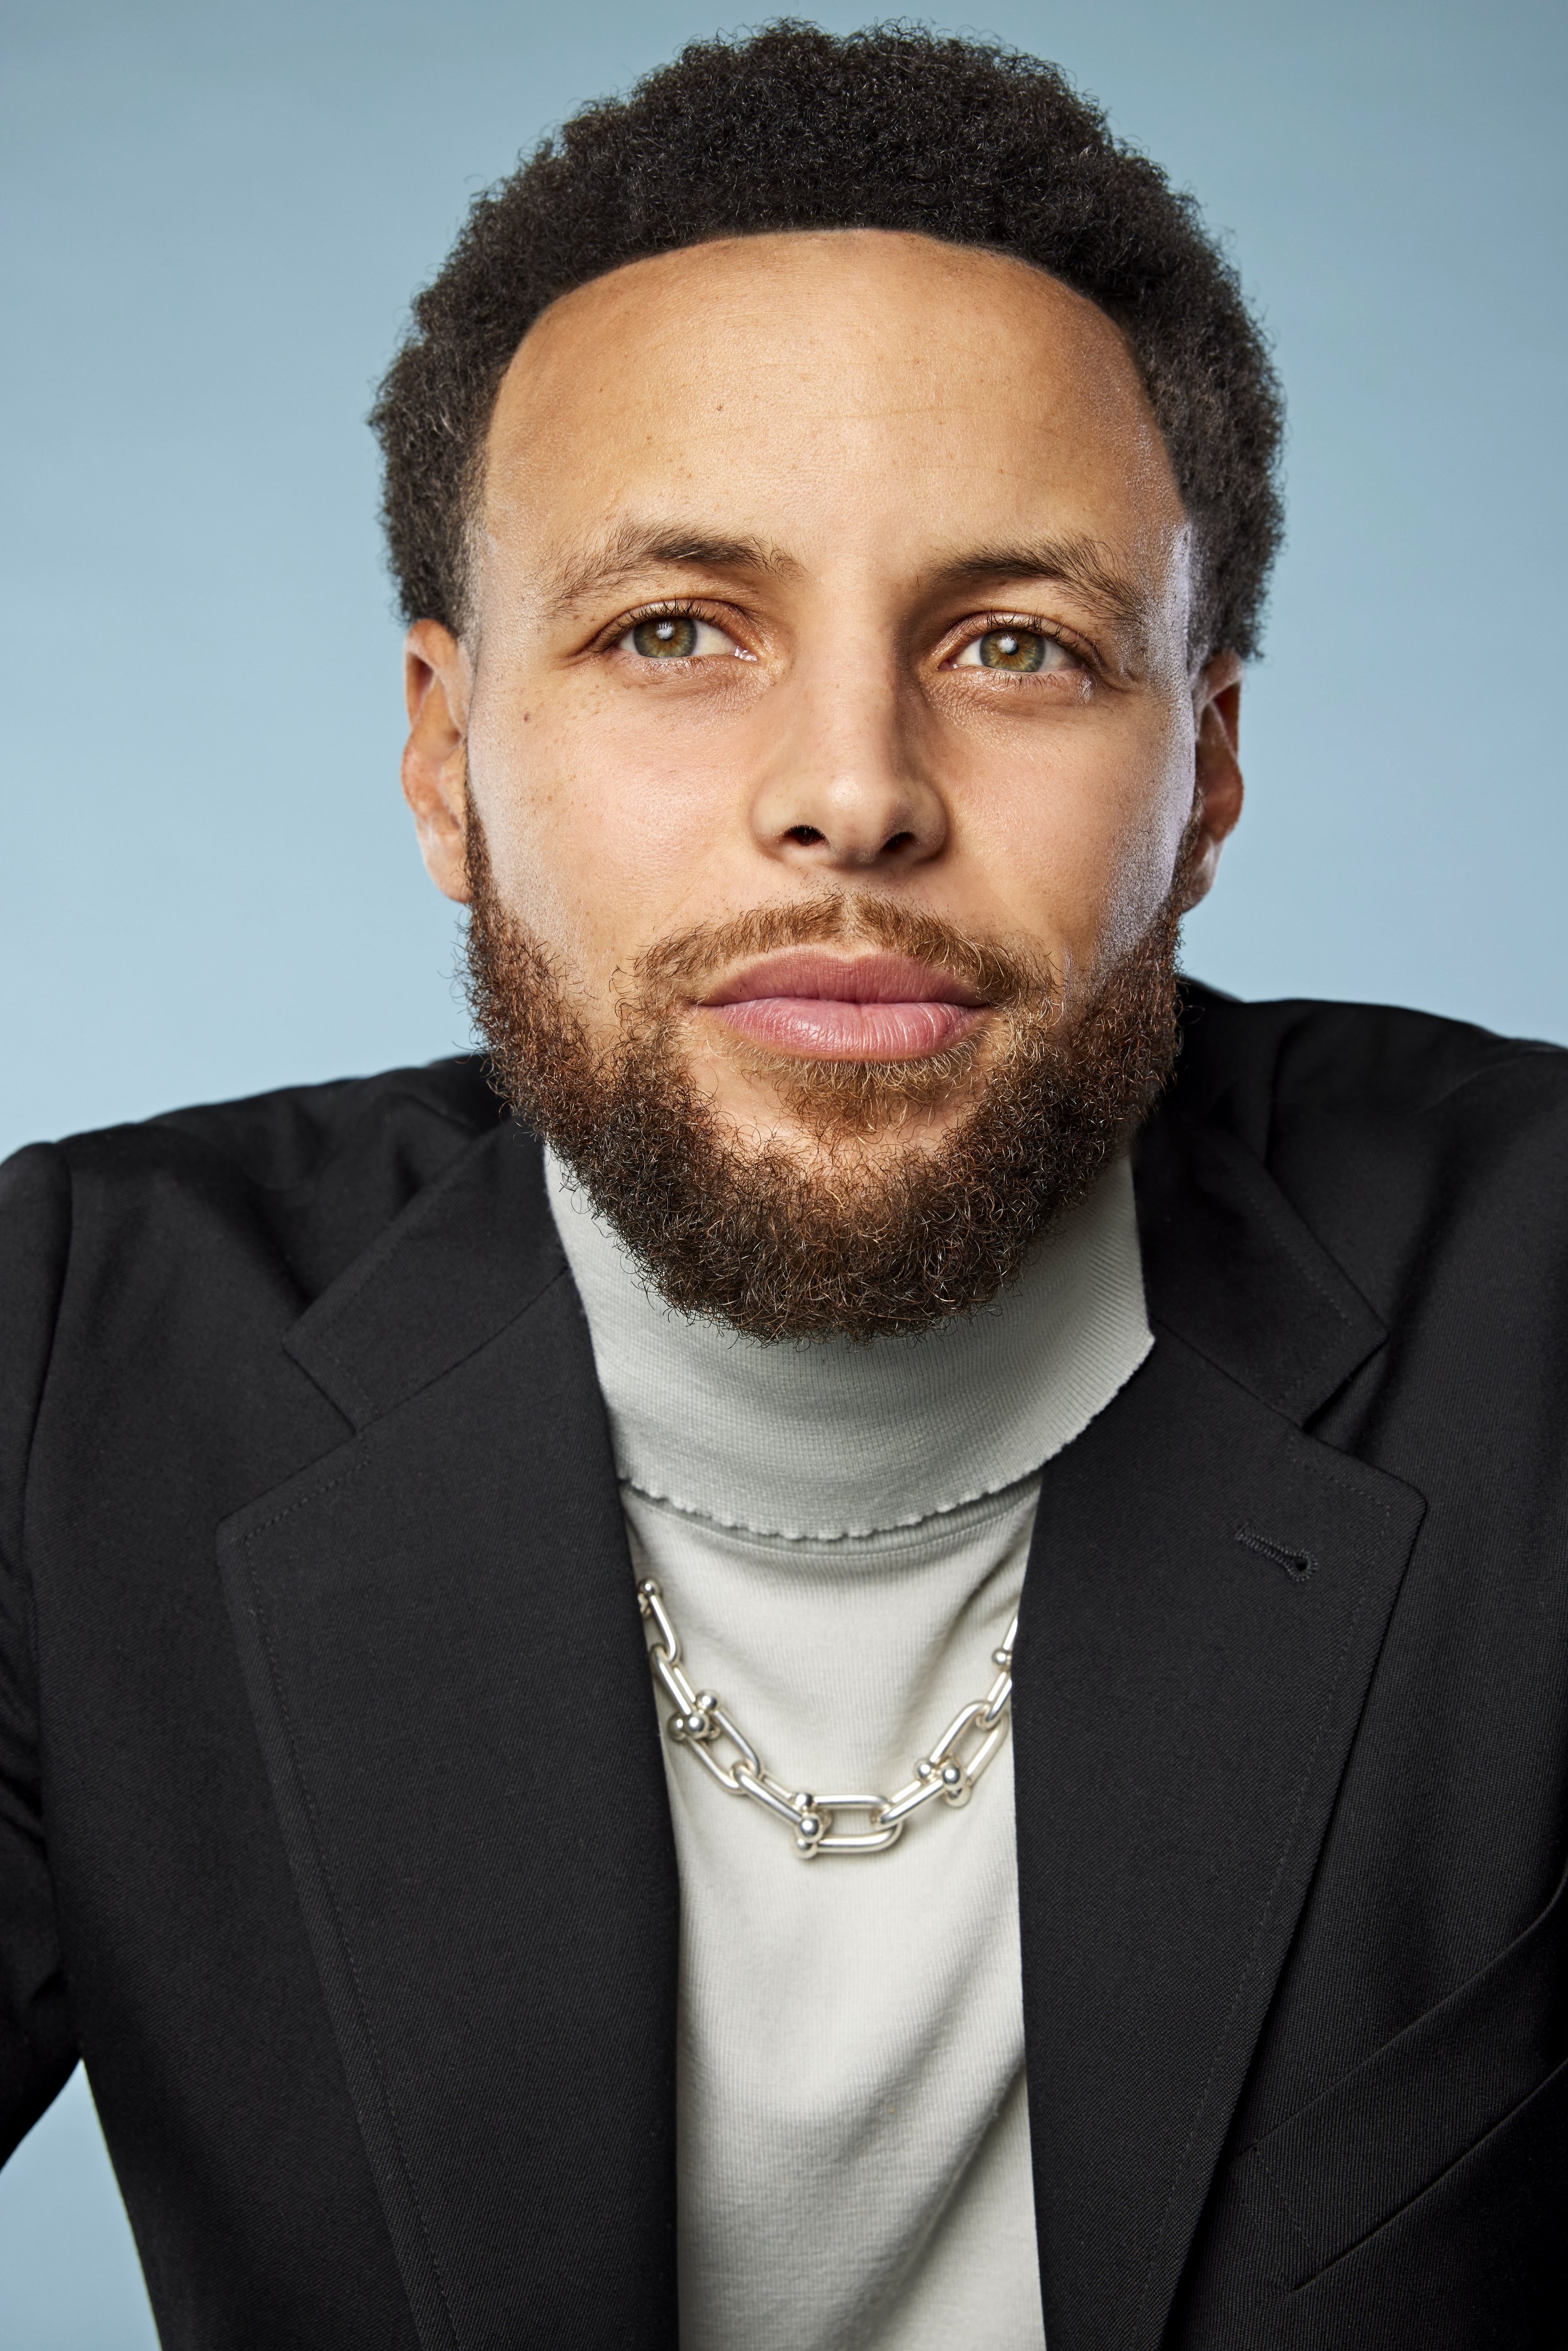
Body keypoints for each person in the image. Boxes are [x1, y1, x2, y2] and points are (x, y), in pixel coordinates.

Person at [1, 21, 1562, 2348]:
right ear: (446, 757)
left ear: (1206, 770)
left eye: (1015, 644)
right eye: (673, 632)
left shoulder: (1542, 1304)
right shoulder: (63, 1363)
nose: (850, 793)